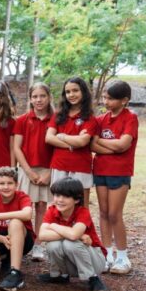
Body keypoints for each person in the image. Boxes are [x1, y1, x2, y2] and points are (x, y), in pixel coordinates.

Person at [92, 80, 138, 275]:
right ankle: (107, 254)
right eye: (104, 97)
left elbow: (124, 145)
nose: (106, 101)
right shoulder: (101, 119)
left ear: (124, 100)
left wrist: (104, 144)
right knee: (103, 213)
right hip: (100, 169)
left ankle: (122, 257)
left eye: (110, 98)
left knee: (114, 214)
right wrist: (113, 147)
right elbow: (92, 145)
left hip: (120, 172)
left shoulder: (131, 118)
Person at [37, 178, 110, 291]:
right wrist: (75, 235)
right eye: (57, 195)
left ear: (76, 199)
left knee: (70, 243)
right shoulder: (52, 210)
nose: (60, 200)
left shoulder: (82, 212)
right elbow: (42, 235)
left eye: (65, 196)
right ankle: (60, 275)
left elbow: (73, 235)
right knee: (53, 244)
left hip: (95, 260)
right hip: (73, 261)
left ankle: (92, 278)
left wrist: (54, 226)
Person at [13, 83, 53, 262]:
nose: (38, 100)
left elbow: (58, 151)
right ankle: (23, 242)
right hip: (27, 169)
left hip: (48, 169)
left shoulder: (55, 119)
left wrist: (49, 173)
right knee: (25, 207)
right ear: (30, 99)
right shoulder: (22, 120)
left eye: (42, 96)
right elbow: (17, 148)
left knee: (42, 207)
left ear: (49, 97)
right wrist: (28, 172)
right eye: (35, 96)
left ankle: (38, 244)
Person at [45, 77, 97, 208]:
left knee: (81, 207)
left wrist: (61, 136)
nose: (71, 95)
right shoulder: (58, 114)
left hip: (80, 165)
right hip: (59, 164)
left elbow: (82, 142)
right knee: (57, 205)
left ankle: (80, 229)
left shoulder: (89, 117)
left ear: (83, 92)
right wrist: (72, 144)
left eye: (75, 90)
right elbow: (49, 138)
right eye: (68, 92)